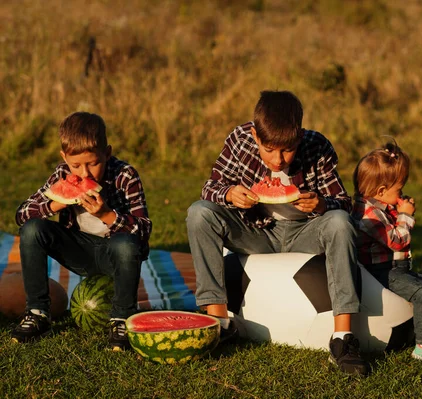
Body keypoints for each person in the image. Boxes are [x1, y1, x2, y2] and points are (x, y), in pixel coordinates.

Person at [186, 90, 369, 376]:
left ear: (300, 137)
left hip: (304, 232)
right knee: (199, 213)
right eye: (269, 149)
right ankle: (219, 323)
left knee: (338, 222)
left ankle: (343, 339)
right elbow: (210, 188)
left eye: (287, 150)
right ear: (256, 136)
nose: (278, 160)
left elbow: (343, 203)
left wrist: (322, 204)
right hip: (256, 233)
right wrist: (230, 194)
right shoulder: (239, 140)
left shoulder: (318, 146)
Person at [12, 112, 152, 351]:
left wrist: (107, 215)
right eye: (75, 166)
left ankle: (122, 318)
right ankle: (38, 313)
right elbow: (22, 214)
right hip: (78, 252)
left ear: (107, 153)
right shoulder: (61, 175)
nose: (84, 174)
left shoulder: (125, 175)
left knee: (126, 244)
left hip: (116, 256)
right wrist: (56, 204)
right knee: (32, 228)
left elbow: (143, 230)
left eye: (93, 163)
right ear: (64, 157)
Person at [351, 141, 422, 365]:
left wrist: (399, 210)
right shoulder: (368, 215)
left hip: (396, 268)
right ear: (381, 191)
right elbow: (397, 242)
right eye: (399, 189)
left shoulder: (382, 206)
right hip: (379, 272)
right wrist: (405, 216)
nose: (402, 192)